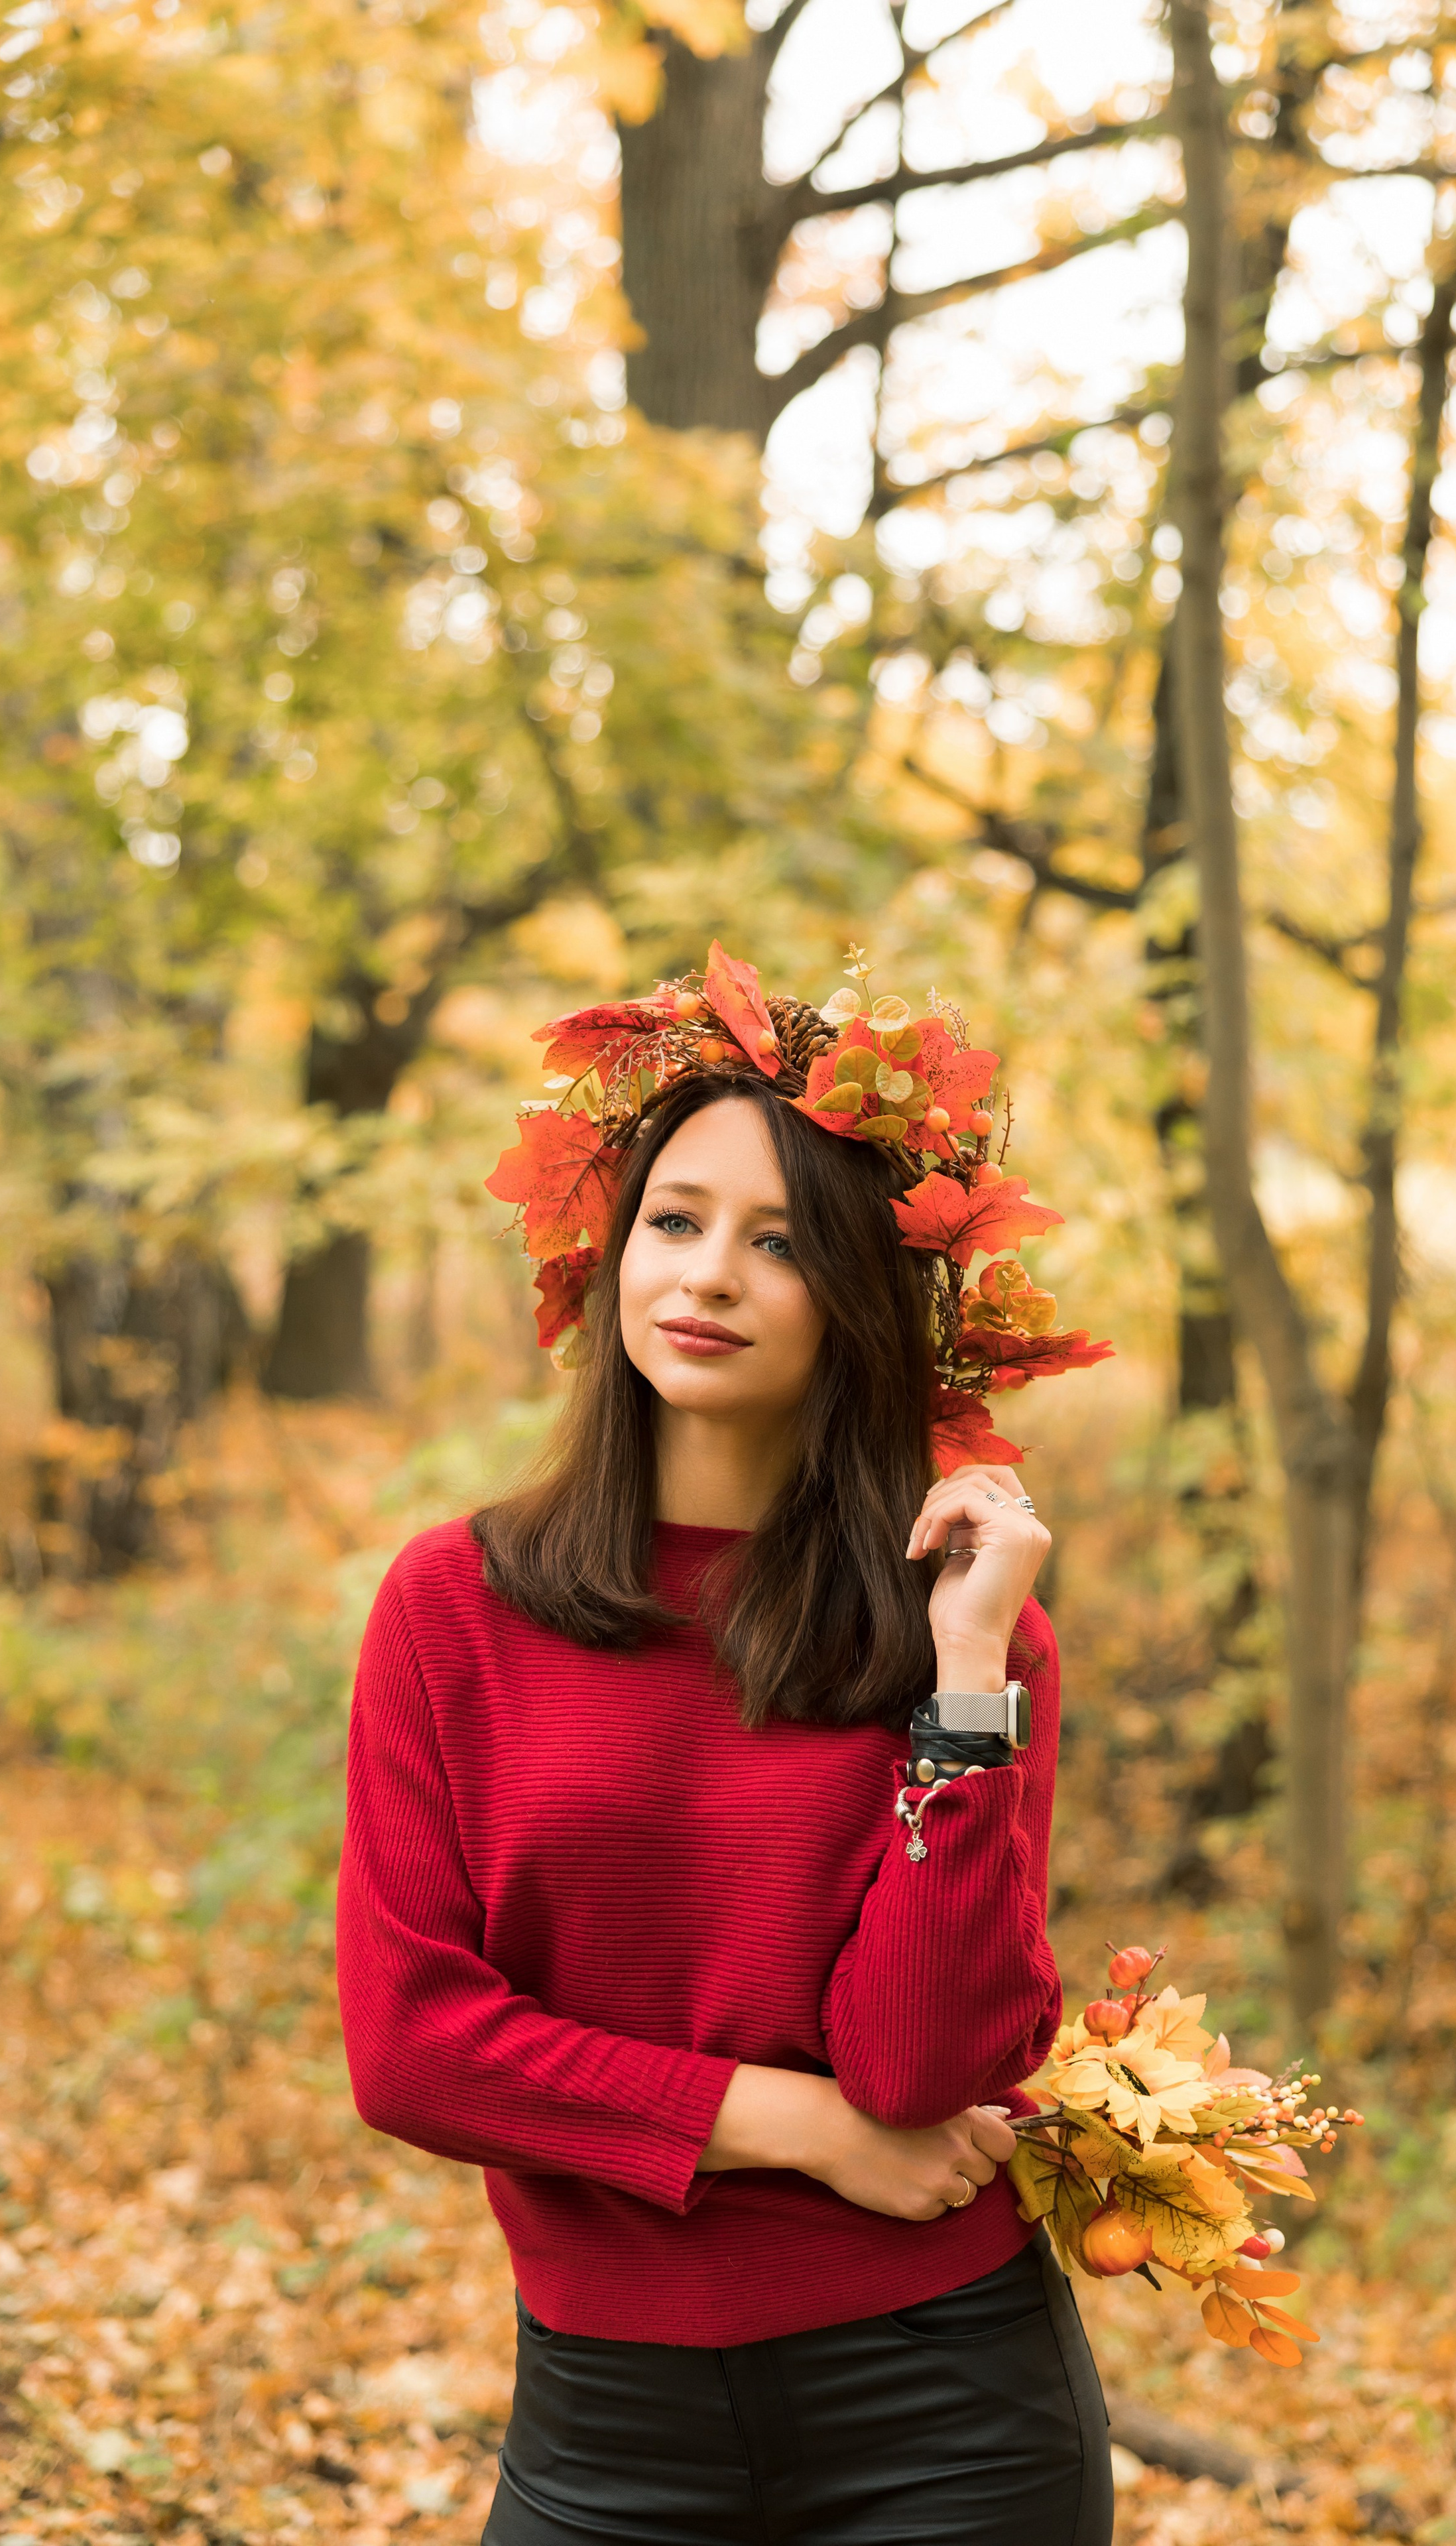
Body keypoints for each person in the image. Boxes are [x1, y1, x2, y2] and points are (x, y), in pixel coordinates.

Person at [336, 951, 1115, 2545]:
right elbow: (413, 2046)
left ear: (859, 1301)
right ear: (612, 1254)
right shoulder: (453, 1607)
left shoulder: (962, 1628)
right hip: (603, 2417)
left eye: (779, 1245)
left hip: (946, 2417)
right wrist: (805, 2131)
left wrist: (963, 1670)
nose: (705, 1277)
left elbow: (921, 2067)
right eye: (675, 1222)